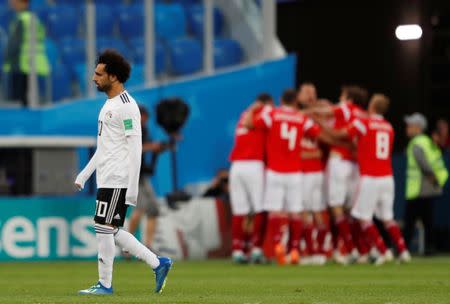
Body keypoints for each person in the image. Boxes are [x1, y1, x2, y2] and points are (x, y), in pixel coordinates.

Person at [74, 50, 172, 295]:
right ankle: (157, 263)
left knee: (103, 227)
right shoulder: (108, 104)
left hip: (118, 178)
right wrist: (84, 174)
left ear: (114, 77)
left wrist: (132, 189)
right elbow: (104, 147)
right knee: (109, 229)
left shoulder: (127, 107)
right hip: (105, 177)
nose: (94, 78)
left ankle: (105, 285)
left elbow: (135, 147)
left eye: (99, 74)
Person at [244, 89, 338, 265]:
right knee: (295, 212)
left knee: (275, 212)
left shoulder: (273, 114)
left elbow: (250, 124)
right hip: (295, 172)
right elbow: (317, 133)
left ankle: (277, 246)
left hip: (275, 171)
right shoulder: (301, 118)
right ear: (295, 101)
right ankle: (294, 249)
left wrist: (253, 110)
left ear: (281, 100)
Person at [330, 94, 411, 264]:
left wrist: (325, 130)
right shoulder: (389, 127)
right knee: (387, 217)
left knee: (362, 216)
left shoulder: (364, 122)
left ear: (372, 105)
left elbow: (345, 134)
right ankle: (403, 251)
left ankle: (383, 251)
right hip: (387, 177)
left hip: (370, 176)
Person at [308, 85, 369, 264]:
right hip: (355, 165)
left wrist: (308, 113)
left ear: (348, 98)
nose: (340, 98)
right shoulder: (363, 115)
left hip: (339, 161)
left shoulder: (344, 108)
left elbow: (325, 111)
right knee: (351, 210)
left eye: (342, 95)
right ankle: (361, 249)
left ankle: (350, 250)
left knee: (335, 206)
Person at [228, 93, 273, 264]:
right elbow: (253, 123)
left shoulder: (244, 113)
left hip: (237, 166)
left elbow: (247, 123)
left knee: (240, 210)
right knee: (259, 208)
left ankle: (238, 250)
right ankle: (256, 249)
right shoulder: (265, 110)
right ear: (268, 102)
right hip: (254, 164)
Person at [403, 112, 449, 255]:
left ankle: (403, 248)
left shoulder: (417, 143)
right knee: (427, 220)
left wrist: (432, 177)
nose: (407, 128)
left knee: (410, 220)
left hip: (419, 189)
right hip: (427, 188)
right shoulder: (427, 141)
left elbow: (423, 163)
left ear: (417, 127)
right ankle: (429, 248)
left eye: (409, 125)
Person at [127, 105, 171, 249]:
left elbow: (144, 148)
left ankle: (148, 246)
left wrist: (157, 148)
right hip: (132, 175)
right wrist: (152, 147)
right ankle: (127, 246)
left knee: (153, 209)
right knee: (139, 208)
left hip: (143, 174)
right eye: (143, 118)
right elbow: (129, 149)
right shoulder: (128, 128)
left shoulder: (144, 130)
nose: (145, 121)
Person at [297, 83, 329, 265]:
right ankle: (319, 251)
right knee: (316, 211)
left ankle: (313, 251)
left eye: (309, 92)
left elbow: (322, 139)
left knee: (306, 211)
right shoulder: (312, 114)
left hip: (309, 170)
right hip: (314, 170)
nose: (307, 95)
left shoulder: (315, 114)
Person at [3, 0, 49, 106]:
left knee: (21, 99)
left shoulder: (21, 20)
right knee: (30, 97)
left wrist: (7, 59)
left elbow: (13, 45)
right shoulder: (34, 19)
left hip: (21, 64)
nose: (11, 3)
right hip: (34, 63)